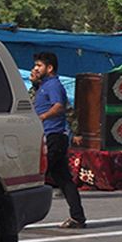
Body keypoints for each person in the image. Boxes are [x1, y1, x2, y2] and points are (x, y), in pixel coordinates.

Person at [30, 52, 88, 229]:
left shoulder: (53, 85)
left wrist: (42, 117)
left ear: (49, 68)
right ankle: (78, 217)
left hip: (53, 136)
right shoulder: (42, 86)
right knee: (63, 179)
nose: (35, 68)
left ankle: (20, 215)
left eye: (39, 66)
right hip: (52, 136)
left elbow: (59, 107)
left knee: (36, 175)